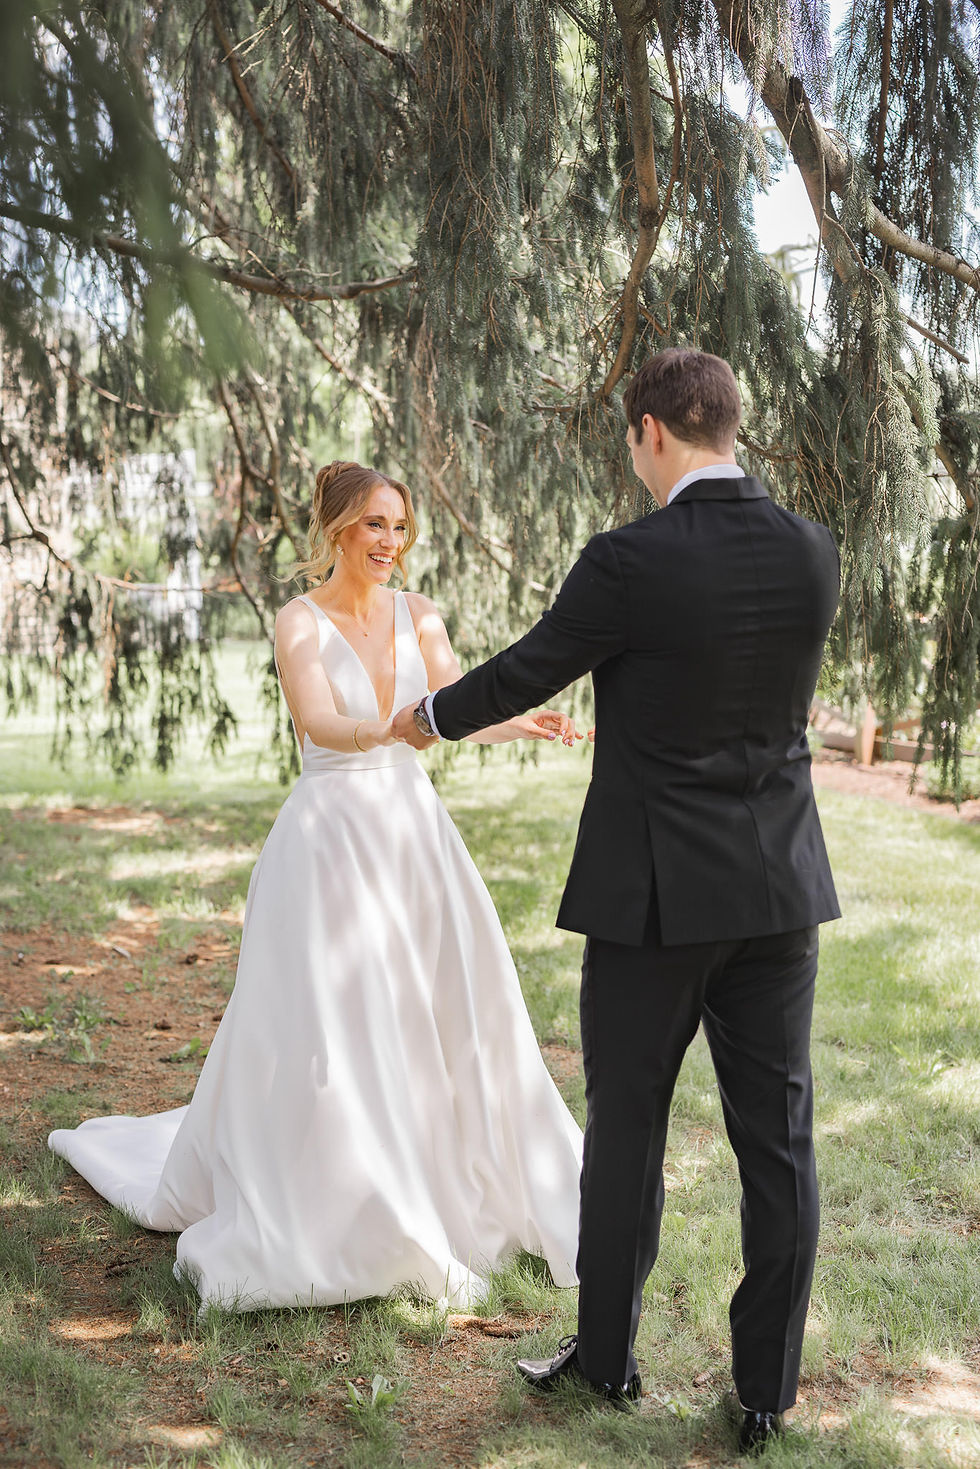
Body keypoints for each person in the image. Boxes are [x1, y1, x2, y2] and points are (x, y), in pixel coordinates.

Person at [393, 349, 841, 1453]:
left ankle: (605, 1361)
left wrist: (428, 715)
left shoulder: (628, 560)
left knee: (627, 1131)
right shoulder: (812, 552)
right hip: (778, 892)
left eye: (626, 440)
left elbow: (531, 669)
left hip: (649, 904)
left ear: (650, 431)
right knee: (778, 1140)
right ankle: (766, 1394)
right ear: (727, 425)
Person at [49, 459, 584, 1313]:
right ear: (338, 527)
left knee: (439, 1006)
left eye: (400, 527)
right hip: (329, 837)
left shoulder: (422, 614)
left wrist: (522, 719)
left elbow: (455, 702)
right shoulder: (298, 618)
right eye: (375, 524)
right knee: (331, 1025)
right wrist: (388, 728)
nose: (390, 542)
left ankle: (434, 1172)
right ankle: (335, 1189)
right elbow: (315, 718)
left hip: (413, 838)